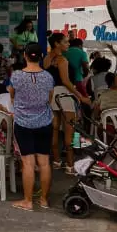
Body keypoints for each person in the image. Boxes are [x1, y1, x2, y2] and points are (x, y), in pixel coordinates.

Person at [9, 43, 56, 212]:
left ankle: (27, 201)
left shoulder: (16, 76)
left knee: (27, 163)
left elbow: (12, 95)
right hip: (44, 122)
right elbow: (49, 99)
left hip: (23, 123)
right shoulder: (48, 77)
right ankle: (44, 200)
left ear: (25, 55)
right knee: (44, 162)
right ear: (42, 56)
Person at [44, 32, 89, 173]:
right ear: (57, 44)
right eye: (65, 42)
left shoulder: (46, 59)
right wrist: (80, 96)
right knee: (70, 129)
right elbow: (66, 81)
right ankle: (70, 165)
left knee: (55, 129)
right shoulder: (62, 60)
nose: (68, 44)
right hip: (64, 95)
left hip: (51, 95)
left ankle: (57, 161)